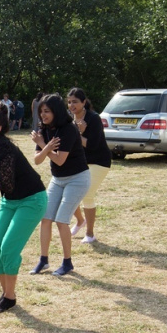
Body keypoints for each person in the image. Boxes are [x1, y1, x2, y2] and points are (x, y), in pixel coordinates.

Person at [0, 103, 46, 314]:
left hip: (32, 200)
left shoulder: (5, 148)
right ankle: (5, 293)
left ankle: (10, 297)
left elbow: (7, 184)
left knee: (9, 250)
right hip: (9, 201)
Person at [30, 93, 89, 277]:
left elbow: (60, 160)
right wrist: (46, 146)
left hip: (77, 178)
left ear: (56, 111)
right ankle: (43, 260)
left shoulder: (68, 130)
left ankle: (67, 263)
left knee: (62, 220)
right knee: (46, 218)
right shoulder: (44, 129)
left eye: (46, 111)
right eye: (41, 112)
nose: (43, 116)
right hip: (58, 179)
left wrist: (43, 145)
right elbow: (37, 160)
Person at [66, 88, 111, 244]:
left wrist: (79, 133)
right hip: (81, 162)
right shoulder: (70, 119)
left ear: (84, 102)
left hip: (99, 161)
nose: (72, 105)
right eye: (69, 102)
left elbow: (92, 145)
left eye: (75, 102)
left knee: (87, 194)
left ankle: (90, 234)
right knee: (69, 191)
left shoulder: (93, 118)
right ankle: (80, 220)